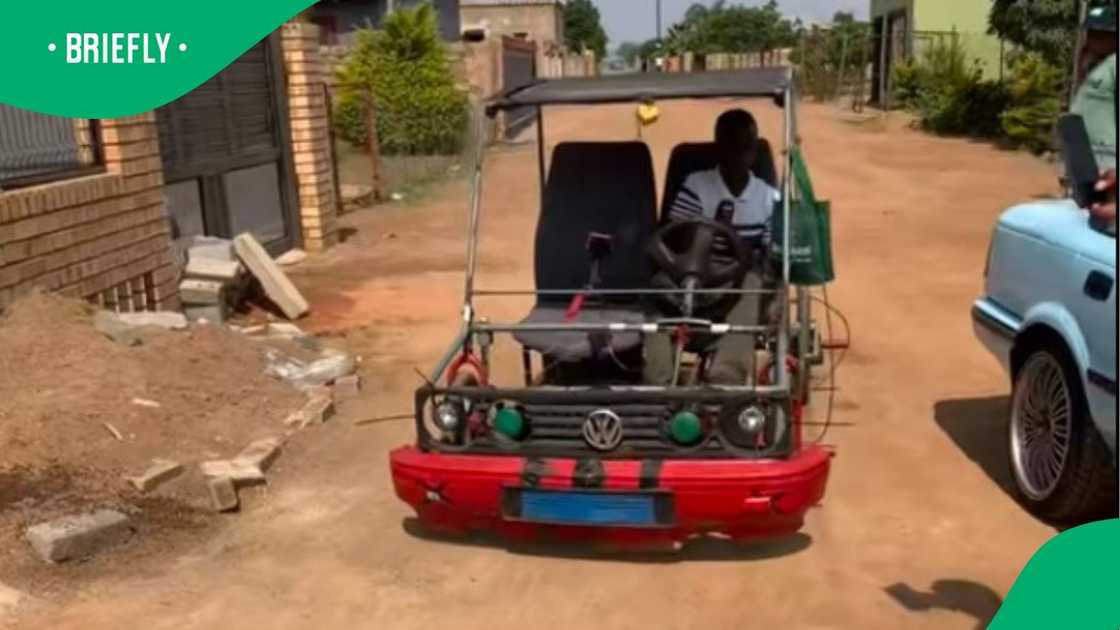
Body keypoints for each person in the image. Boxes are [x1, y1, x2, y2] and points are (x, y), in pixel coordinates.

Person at [644, 109, 781, 385]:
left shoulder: (768, 198)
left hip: (738, 282)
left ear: (754, 151)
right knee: (655, 289)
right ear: (718, 148)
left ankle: (727, 371)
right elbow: (675, 237)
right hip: (689, 273)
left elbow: (769, 257)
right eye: (731, 147)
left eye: (746, 147)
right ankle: (659, 379)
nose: (739, 155)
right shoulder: (697, 185)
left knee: (755, 283)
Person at [1071, 4, 1117, 226]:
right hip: (1085, 150)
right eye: (1091, 32)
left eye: (1101, 34)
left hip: (1107, 155)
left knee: (1101, 215)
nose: (1093, 38)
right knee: (1082, 211)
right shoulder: (1094, 63)